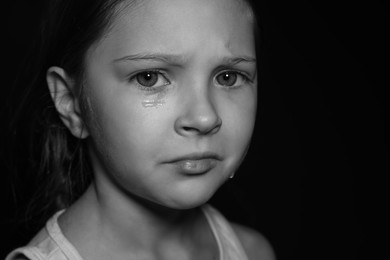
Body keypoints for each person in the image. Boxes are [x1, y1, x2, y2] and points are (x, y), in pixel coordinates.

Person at [6, 0, 275, 259]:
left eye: (228, 77)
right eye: (150, 78)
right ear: (71, 103)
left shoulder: (253, 252)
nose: (205, 118)